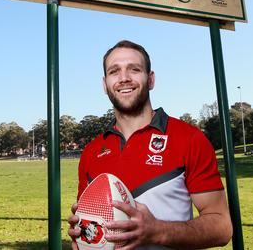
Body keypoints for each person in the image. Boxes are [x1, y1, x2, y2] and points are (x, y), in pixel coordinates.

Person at [68, 40, 232, 250]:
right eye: (114, 71)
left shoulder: (188, 138)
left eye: (134, 69)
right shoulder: (91, 152)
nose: (124, 78)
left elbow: (221, 227)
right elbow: (91, 224)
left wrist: (157, 231)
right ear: (105, 84)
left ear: (151, 79)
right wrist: (84, 235)